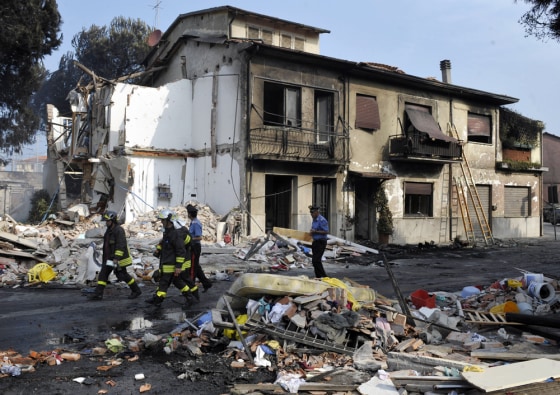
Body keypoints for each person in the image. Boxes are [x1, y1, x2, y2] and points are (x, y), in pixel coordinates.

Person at [146, 209, 197, 308]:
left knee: (170, 282)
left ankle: (189, 298)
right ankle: (158, 299)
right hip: (166, 263)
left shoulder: (176, 234)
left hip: (171, 264)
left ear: (169, 220)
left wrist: (178, 267)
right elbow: (166, 244)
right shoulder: (167, 231)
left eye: (163, 220)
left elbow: (180, 251)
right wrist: (159, 249)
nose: (161, 222)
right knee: (169, 282)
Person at [90, 211, 142, 300]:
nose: (106, 223)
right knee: (103, 274)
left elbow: (121, 245)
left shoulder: (119, 230)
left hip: (117, 259)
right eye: (106, 221)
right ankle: (98, 294)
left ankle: (136, 290)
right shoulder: (109, 230)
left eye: (108, 221)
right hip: (109, 259)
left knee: (123, 275)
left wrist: (116, 258)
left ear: (113, 220)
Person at [186, 204, 213, 292]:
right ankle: (206, 283)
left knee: (192, 268)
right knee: (196, 267)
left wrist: (189, 239)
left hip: (195, 247)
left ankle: (192, 287)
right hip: (193, 247)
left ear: (190, 214)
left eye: (188, 213)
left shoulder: (196, 223)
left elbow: (199, 237)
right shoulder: (193, 222)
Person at [309, 205, 329, 278]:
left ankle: (324, 276)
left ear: (317, 212)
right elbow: (313, 229)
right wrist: (311, 233)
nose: (311, 215)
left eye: (312, 213)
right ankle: (318, 276)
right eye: (311, 213)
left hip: (321, 242)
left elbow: (326, 231)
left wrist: (316, 231)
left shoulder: (322, 220)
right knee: (314, 261)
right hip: (315, 241)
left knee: (316, 260)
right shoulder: (314, 220)